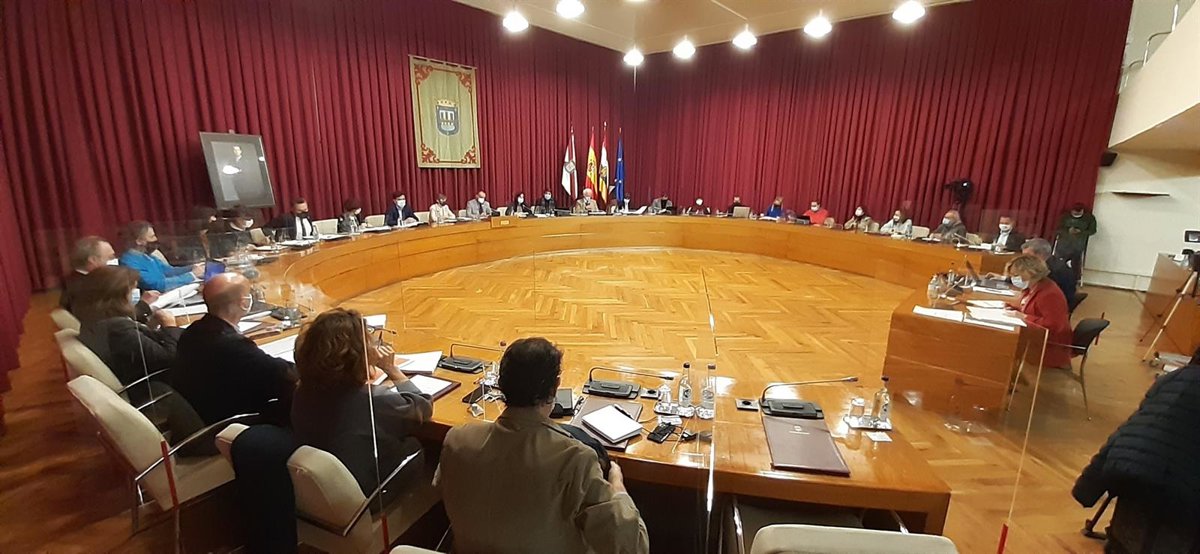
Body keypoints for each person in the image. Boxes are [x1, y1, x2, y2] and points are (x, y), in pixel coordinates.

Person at [436, 338, 649, 554]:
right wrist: (618, 488)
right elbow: (631, 547)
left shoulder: (457, 439)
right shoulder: (575, 457)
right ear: (555, 386)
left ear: (501, 383)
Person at [291, 308, 433, 505]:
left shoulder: (302, 390)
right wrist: (392, 370)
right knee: (420, 447)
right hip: (369, 496)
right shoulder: (375, 400)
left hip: (319, 494)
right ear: (356, 355)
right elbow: (422, 408)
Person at [1072, 363, 1200, 553]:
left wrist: (1088, 487)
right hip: (1182, 506)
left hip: (1131, 478)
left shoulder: (1171, 379)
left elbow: (1126, 432)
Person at [173, 273, 297, 425]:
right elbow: (285, 374)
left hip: (204, 408)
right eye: (249, 293)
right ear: (244, 303)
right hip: (231, 422)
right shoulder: (234, 346)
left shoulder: (194, 330)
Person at [74, 266, 181, 387]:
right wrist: (170, 326)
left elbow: (137, 344)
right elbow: (169, 358)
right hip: (157, 383)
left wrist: (149, 326)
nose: (135, 294)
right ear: (119, 294)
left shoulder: (94, 317)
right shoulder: (119, 329)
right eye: (132, 290)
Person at [1004, 255, 1072, 369]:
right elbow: (1031, 310)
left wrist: (1023, 316)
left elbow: (1054, 325)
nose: (1013, 279)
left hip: (1049, 345)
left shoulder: (1049, 294)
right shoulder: (1032, 288)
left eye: (1016, 275)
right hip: (1033, 336)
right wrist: (1013, 309)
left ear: (1030, 273)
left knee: (1002, 342)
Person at [118, 221, 202, 293]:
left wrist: (192, 267)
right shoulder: (129, 263)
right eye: (152, 237)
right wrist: (191, 275)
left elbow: (168, 271)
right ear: (139, 241)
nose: (156, 239)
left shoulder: (148, 256)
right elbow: (157, 285)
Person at [1021, 238, 1076, 304]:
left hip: (1054, 304)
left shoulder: (1052, 271)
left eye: (1027, 256)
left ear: (1040, 255)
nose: (1025, 260)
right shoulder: (1052, 262)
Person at [1057, 203, 1097, 282]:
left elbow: (1093, 230)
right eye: (1074, 214)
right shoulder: (1065, 217)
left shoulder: (1089, 218)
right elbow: (1058, 229)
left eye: (1078, 214)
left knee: (1076, 258)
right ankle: (1059, 275)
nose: (1076, 215)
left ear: (1082, 211)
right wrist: (1067, 230)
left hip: (1078, 244)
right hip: (1064, 243)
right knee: (1060, 257)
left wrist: (1081, 231)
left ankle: (1074, 278)